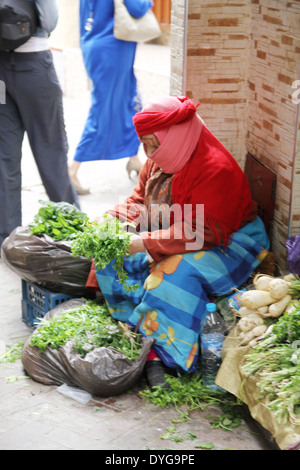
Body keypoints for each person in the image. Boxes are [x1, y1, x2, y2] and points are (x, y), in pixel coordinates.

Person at [87, 95, 270, 389]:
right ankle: (136, 328)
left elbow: (204, 232)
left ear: (177, 137)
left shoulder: (214, 168)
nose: (148, 152)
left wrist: (144, 243)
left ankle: (165, 354)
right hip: (174, 229)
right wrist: (113, 219)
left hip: (228, 239)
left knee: (171, 274)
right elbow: (140, 201)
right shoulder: (160, 160)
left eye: (154, 144)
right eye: (144, 143)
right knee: (110, 255)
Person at [0, 0, 79, 252]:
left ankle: (7, 240)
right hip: (33, 68)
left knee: (4, 158)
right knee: (51, 150)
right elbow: (50, 20)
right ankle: (74, 233)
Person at [69, 0, 154, 195]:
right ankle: (72, 169)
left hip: (95, 45)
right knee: (105, 110)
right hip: (114, 48)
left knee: (127, 103)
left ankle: (134, 159)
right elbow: (137, 7)